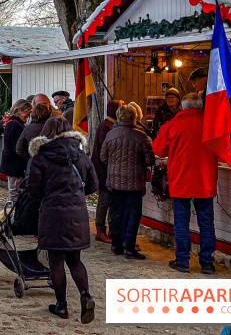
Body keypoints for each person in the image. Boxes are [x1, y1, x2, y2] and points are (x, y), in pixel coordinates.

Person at [27, 116, 98, 324]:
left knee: (56, 260)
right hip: (77, 212)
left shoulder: (41, 156)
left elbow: (32, 189)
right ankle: (85, 295)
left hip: (53, 213)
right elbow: (93, 185)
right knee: (75, 259)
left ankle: (61, 305)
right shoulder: (81, 154)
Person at [153, 93, 219, 274]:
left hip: (181, 179)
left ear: (182, 107)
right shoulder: (211, 125)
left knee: (181, 222)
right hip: (205, 180)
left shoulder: (172, 125)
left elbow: (158, 149)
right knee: (206, 222)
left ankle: (183, 260)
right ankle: (207, 262)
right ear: (199, 107)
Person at [100, 105, 154, 260]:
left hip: (115, 182)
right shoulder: (141, 136)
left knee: (116, 213)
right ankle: (129, 247)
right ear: (134, 118)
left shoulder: (111, 135)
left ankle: (116, 244)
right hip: (134, 182)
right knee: (133, 214)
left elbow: (103, 157)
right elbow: (149, 160)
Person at [91, 100, 122, 244]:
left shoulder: (109, 126)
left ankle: (110, 229)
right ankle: (100, 230)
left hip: (108, 169)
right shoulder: (106, 127)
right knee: (104, 200)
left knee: (111, 201)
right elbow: (107, 151)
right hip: (104, 170)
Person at [1, 99, 31, 204]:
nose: (29, 115)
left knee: (15, 191)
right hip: (14, 164)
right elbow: (16, 148)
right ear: (19, 110)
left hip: (13, 163)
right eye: (27, 113)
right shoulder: (15, 125)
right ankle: (12, 215)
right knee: (14, 192)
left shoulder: (12, 123)